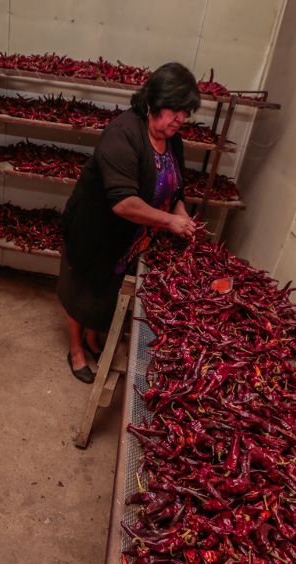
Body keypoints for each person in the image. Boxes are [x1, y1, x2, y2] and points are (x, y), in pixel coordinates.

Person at [57, 62, 198, 383]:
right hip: (95, 230)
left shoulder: (173, 139)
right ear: (153, 103)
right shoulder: (122, 134)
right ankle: (77, 349)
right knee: (81, 289)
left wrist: (181, 215)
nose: (181, 119)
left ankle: (93, 338)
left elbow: (176, 188)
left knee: (107, 292)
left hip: (130, 237)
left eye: (185, 112)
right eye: (175, 110)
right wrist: (168, 222)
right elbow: (123, 202)